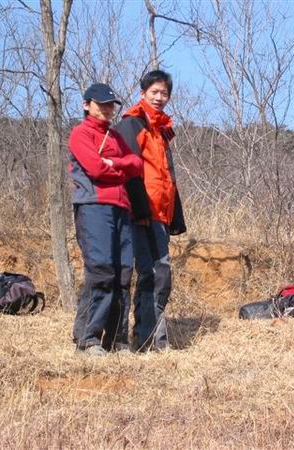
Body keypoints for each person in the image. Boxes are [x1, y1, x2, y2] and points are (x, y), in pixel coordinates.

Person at [69, 83, 143, 355]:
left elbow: (137, 164)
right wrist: (117, 168)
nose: (107, 109)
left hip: (122, 208)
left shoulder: (114, 137)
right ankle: (87, 339)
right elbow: (96, 169)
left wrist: (116, 164)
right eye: (101, 104)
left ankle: (117, 339)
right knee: (101, 270)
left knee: (123, 272)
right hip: (94, 206)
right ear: (87, 105)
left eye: (111, 105)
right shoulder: (80, 133)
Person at [116, 70, 186, 352]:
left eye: (164, 93)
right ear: (142, 93)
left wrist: (175, 216)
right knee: (149, 275)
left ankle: (153, 339)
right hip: (140, 214)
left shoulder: (160, 129)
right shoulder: (132, 124)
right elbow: (130, 170)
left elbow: (167, 177)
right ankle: (146, 340)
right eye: (154, 92)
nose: (159, 97)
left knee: (161, 276)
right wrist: (140, 208)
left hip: (160, 214)